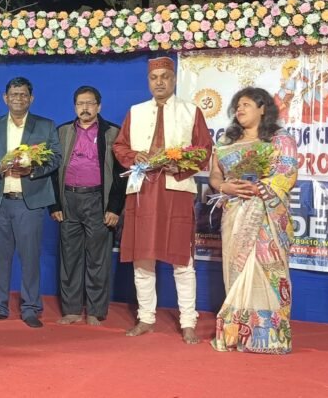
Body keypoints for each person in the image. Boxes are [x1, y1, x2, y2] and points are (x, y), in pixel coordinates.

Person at [112, 56, 212, 344]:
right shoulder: (136, 111)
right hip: (143, 190)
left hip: (176, 189)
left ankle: (188, 321)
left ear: (174, 79)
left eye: (165, 77)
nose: (159, 82)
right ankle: (146, 318)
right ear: (148, 81)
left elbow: (204, 149)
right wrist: (135, 156)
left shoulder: (190, 111)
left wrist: (178, 165)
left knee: (182, 259)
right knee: (142, 258)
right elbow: (120, 146)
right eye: (154, 77)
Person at [208, 87, 298, 354]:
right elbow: (215, 174)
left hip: (266, 215)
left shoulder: (280, 139)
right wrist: (224, 187)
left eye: (246, 104)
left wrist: (256, 190)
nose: (240, 109)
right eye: (237, 105)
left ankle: (270, 337)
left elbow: (286, 173)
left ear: (262, 108)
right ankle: (236, 333)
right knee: (236, 271)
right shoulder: (226, 141)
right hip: (234, 213)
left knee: (267, 270)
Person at [0, 77, 61, 328]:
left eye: (23, 94)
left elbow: (55, 158)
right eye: (14, 94)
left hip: (29, 202)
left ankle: (31, 308)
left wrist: (32, 170)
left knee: (30, 257)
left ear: (31, 98)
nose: (18, 99)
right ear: (5, 98)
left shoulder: (45, 126)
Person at [49, 86, 126, 326]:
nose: (85, 108)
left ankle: (95, 310)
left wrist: (114, 208)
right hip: (68, 199)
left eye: (90, 103)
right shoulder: (62, 132)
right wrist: (54, 205)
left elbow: (121, 174)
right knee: (69, 257)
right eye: (80, 103)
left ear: (99, 106)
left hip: (98, 201)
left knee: (98, 259)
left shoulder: (113, 132)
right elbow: (52, 171)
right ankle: (71, 310)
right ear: (75, 107)